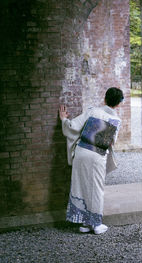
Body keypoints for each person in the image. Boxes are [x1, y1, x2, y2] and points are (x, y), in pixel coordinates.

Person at [59, 87, 124, 234]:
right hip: (96, 155)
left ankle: (84, 223)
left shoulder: (92, 111)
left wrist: (64, 119)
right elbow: (111, 142)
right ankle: (95, 224)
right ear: (118, 104)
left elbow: (73, 126)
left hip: (81, 152)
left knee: (80, 185)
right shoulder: (116, 120)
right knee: (96, 189)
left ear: (105, 99)